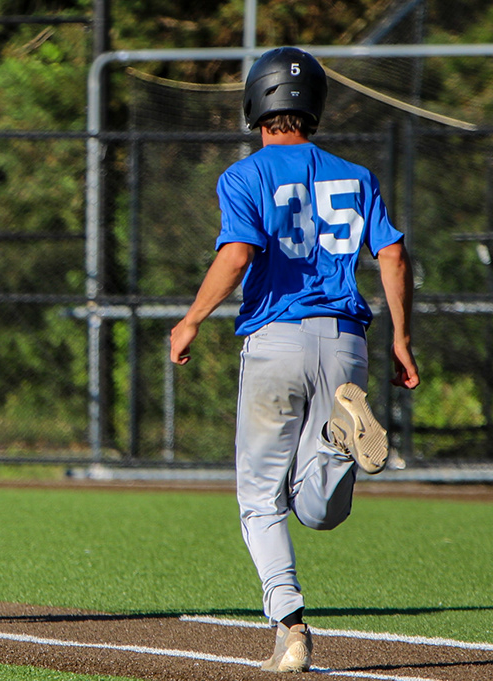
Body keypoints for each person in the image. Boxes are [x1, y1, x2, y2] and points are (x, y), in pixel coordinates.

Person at [168, 47, 419, 673]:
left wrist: (192, 318)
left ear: (256, 104)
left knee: (261, 500)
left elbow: (237, 254)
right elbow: (392, 256)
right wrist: (401, 339)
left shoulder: (244, 175)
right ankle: (339, 441)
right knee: (319, 509)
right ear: (315, 108)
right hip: (345, 344)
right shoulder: (356, 175)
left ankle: (290, 626)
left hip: (275, 340)